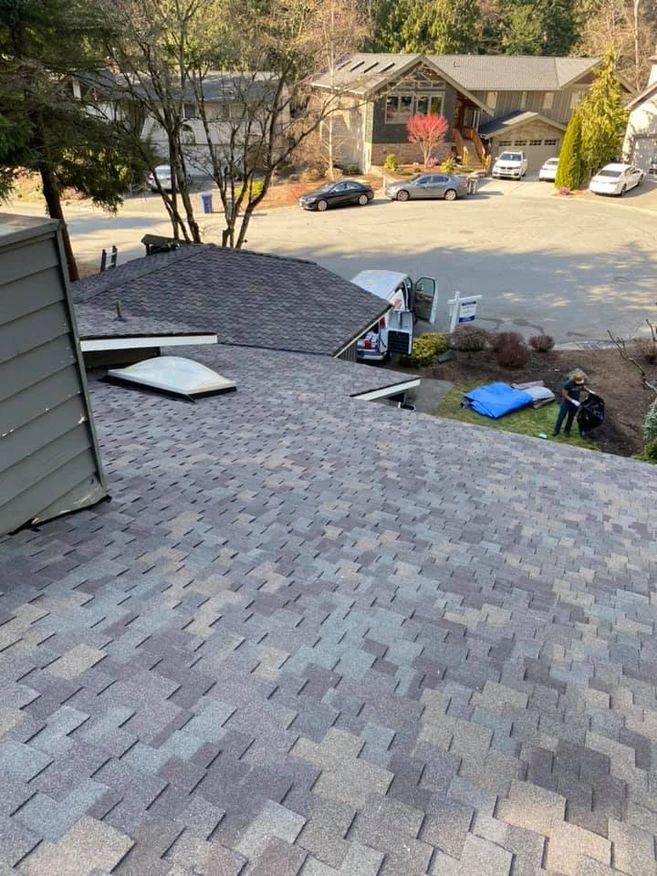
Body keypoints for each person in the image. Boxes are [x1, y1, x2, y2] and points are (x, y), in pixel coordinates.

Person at [553, 369, 589, 437]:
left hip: (574, 405)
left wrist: (589, 391)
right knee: (561, 417)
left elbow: (583, 387)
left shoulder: (580, 383)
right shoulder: (568, 384)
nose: (580, 383)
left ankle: (567, 431)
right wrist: (573, 401)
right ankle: (556, 430)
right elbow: (564, 394)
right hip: (566, 403)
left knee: (571, 418)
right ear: (574, 380)